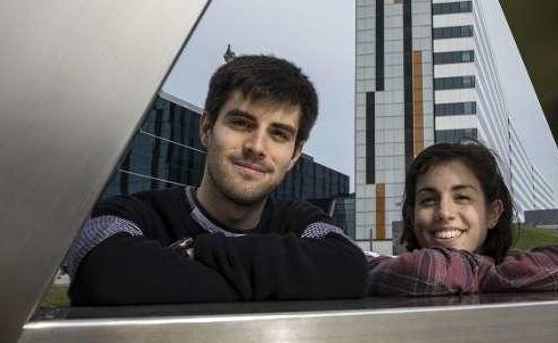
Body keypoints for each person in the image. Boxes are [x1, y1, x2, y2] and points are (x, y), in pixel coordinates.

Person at [63, 55, 369, 304]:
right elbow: (102, 271)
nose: (256, 147)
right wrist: (274, 282)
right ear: (207, 128)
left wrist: (195, 255)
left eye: (278, 134)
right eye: (240, 122)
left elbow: (349, 268)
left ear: (294, 155)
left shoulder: (302, 221)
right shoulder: (128, 215)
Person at [368, 141, 558, 296]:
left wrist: (473, 273)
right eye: (428, 200)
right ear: (412, 214)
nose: (444, 212)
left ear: (492, 213)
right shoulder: (382, 268)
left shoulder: (511, 263)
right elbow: (429, 271)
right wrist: (490, 274)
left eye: (462, 197)